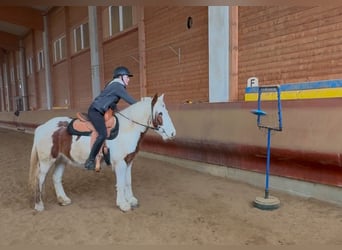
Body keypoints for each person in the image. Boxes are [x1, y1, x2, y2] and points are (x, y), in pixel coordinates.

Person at [85, 66, 137, 170]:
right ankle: (90, 160)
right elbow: (131, 101)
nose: (129, 79)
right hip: (95, 112)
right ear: (121, 77)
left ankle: (107, 153)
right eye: (127, 77)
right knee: (103, 133)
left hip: (102, 111)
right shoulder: (118, 86)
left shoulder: (113, 85)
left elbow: (109, 100)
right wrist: (142, 105)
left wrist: (114, 106)